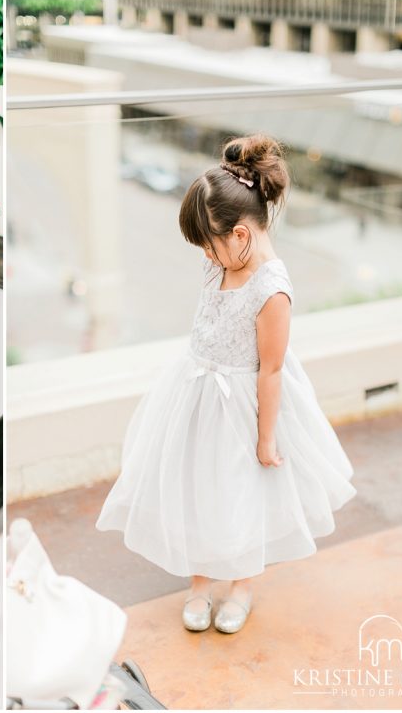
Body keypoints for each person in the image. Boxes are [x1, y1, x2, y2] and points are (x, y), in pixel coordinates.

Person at [95, 134, 357, 635]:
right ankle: (199, 583)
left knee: (240, 497)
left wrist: (264, 438)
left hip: (244, 406)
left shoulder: (271, 290)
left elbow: (272, 370)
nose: (206, 256)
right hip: (194, 393)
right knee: (196, 488)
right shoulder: (219, 262)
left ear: (240, 235)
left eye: (210, 245)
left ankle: (240, 586)